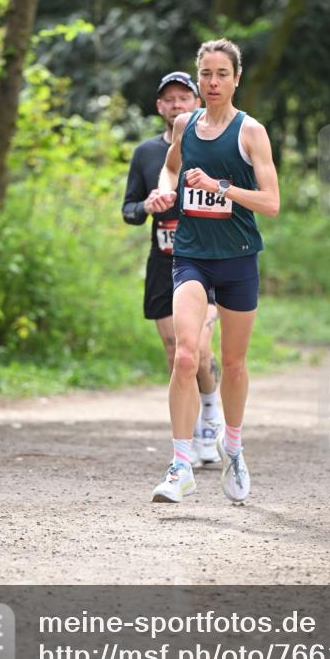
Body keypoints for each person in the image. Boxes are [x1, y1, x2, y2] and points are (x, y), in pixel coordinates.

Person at [146, 38, 280, 504]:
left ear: (236, 78)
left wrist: (223, 187)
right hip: (191, 256)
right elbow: (169, 169)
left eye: (222, 73)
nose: (212, 82)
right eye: (205, 74)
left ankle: (234, 447)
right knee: (186, 356)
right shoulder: (186, 123)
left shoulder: (251, 132)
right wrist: (166, 191)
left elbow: (272, 202)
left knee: (236, 365)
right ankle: (180, 464)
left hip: (239, 258)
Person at [122, 71, 225, 465]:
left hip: (206, 262)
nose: (177, 104)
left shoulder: (214, 148)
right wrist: (147, 206)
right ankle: (191, 433)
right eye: (170, 99)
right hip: (164, 266)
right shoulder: (146, 154)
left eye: (185, 97)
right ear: (160, 107)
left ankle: (211, 419)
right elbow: (128, 210)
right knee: (174, 354)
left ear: (197, 103)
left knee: (198, 349)